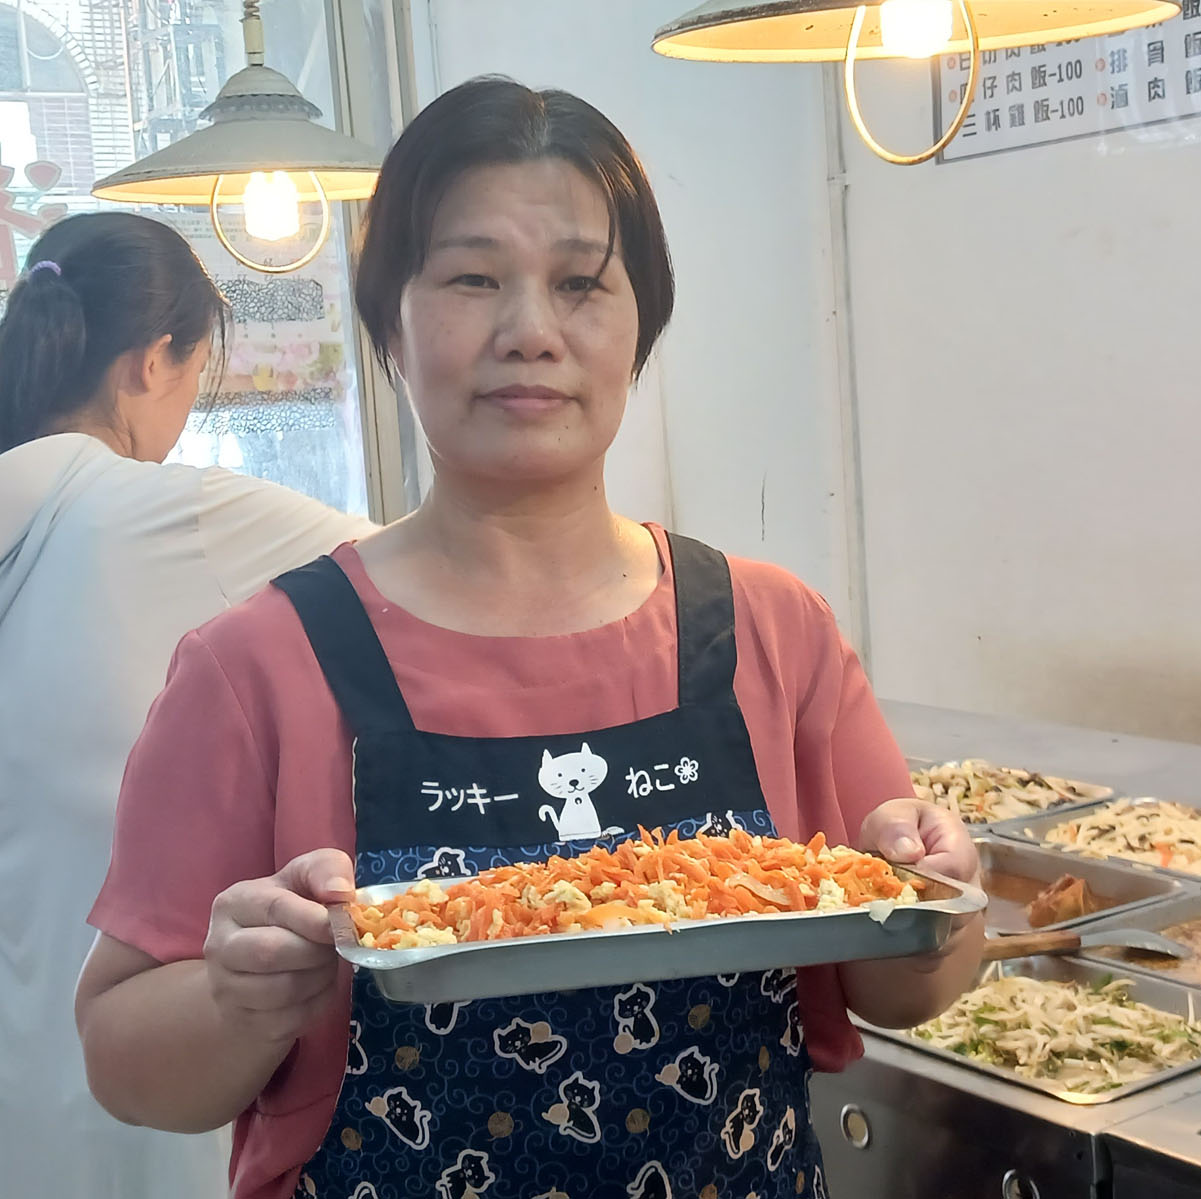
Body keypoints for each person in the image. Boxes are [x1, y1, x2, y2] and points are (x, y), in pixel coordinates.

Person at [76, 77, 983, 1199]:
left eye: (580, 284)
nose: (531, 333)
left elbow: (905, 984)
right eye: (473, 278)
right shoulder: (258, 664)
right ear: (390, 322)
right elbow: (124, 1059)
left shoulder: (771, 628)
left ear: (641, 324)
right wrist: (235, 998)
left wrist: (940, 896)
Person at [0, 212, 374, 1199]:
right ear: (152, 361)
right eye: (197, 373)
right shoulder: (174, 512)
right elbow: (416, 564)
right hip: (151, 1054)